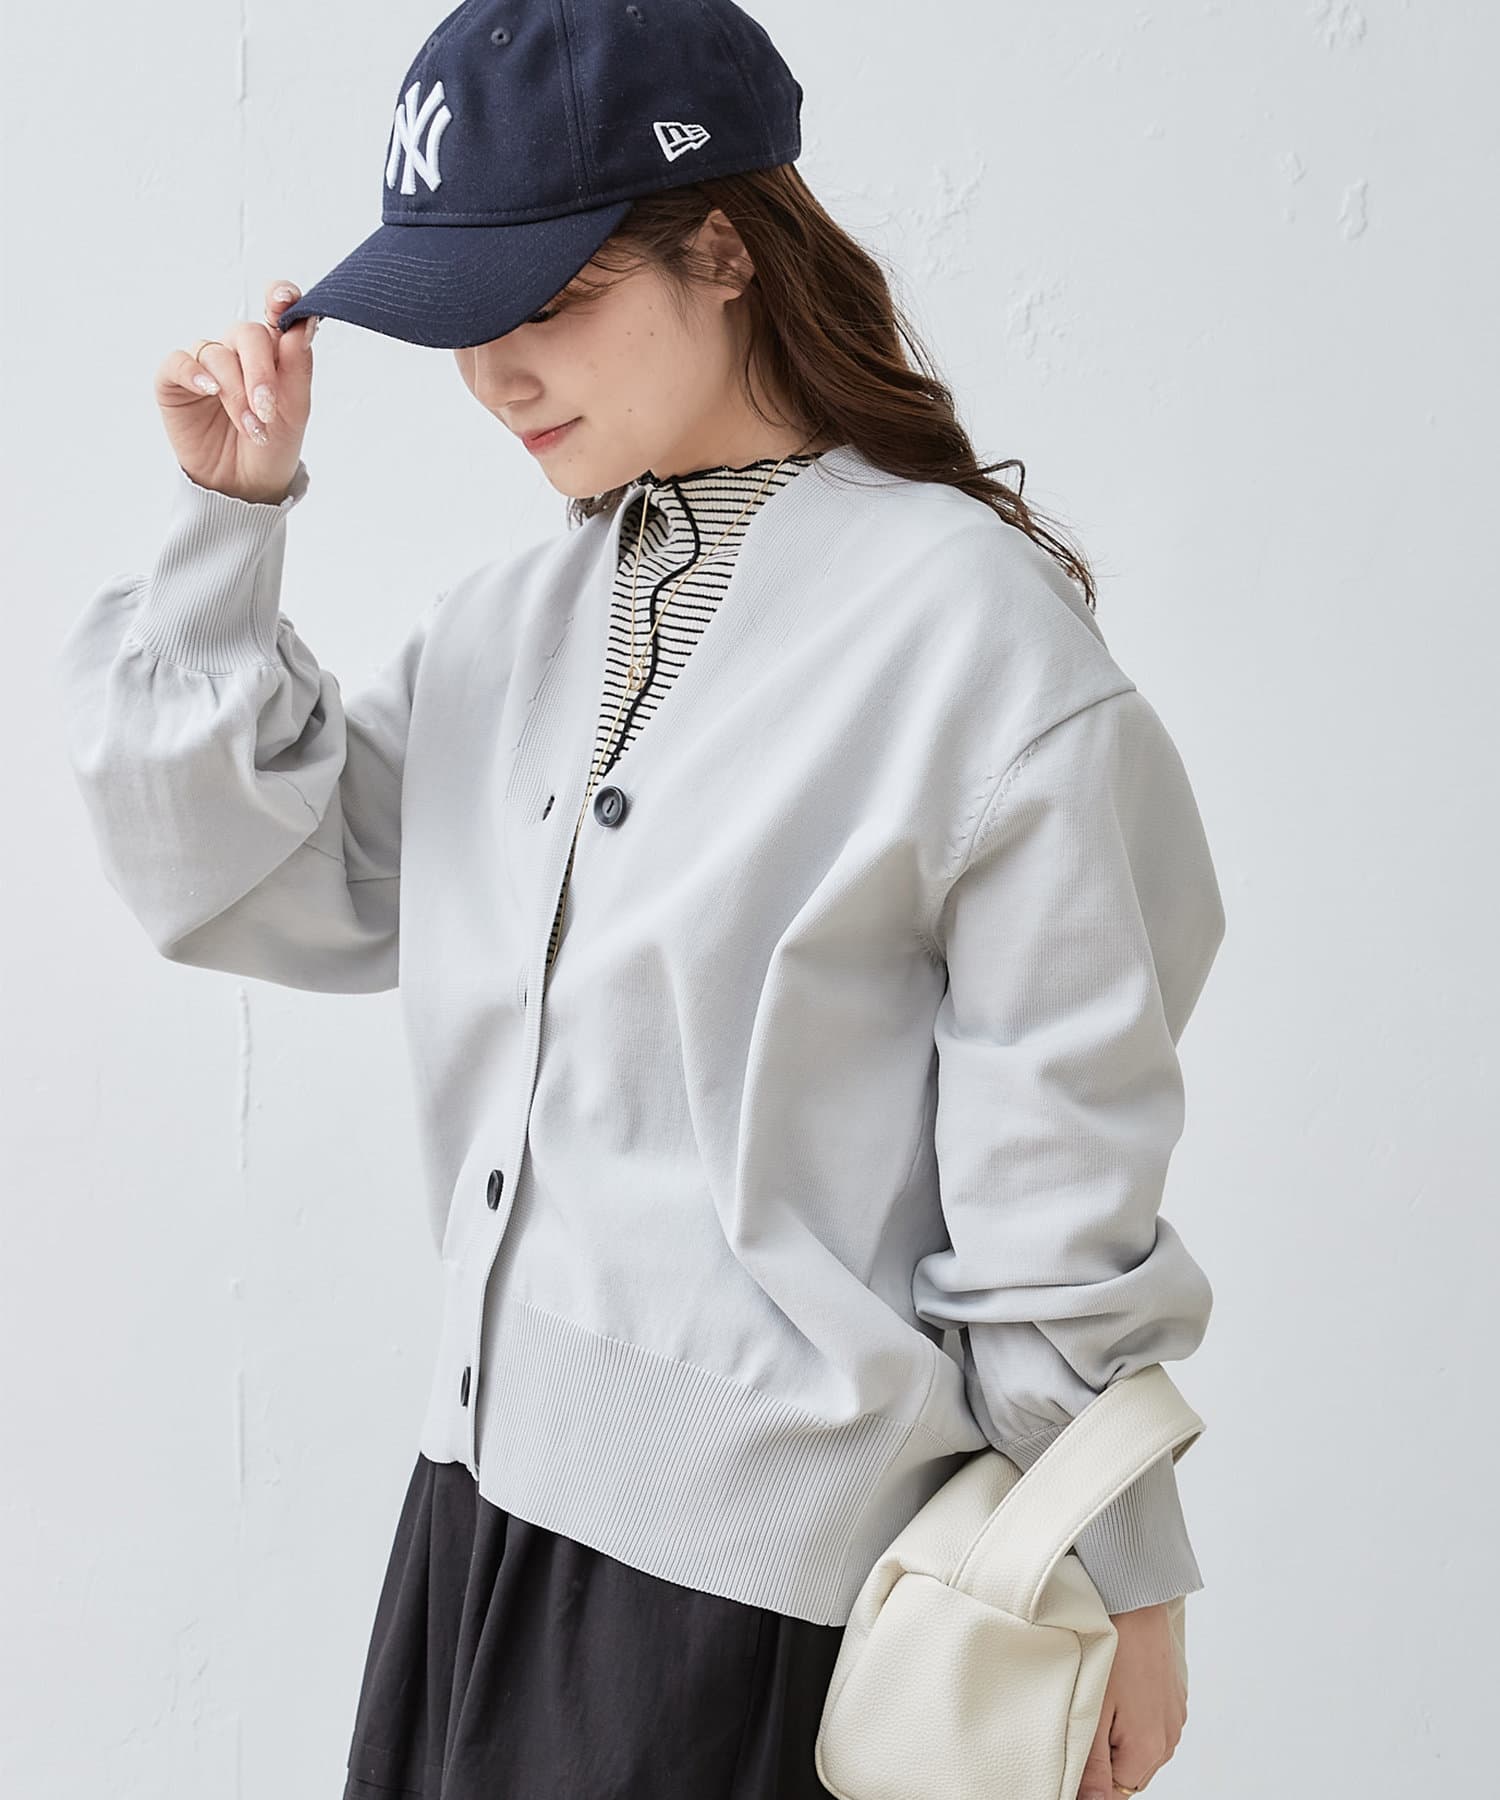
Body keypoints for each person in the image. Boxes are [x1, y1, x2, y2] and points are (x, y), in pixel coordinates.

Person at [56, 4, 1226, 1797]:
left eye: (553, 301)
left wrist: (1113, 1561)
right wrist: (234, 519)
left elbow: (1057, 1176)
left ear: (725, 252)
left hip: (745, 1608)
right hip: (476, 1529)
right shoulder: (522, 623)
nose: (498, 376)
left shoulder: (973, 644)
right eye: (465, 320)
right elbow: (246, 879)